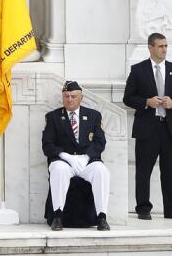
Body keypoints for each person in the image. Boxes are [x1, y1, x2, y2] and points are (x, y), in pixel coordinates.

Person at [123, 33, 172, 220]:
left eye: (166, 46)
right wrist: (147, 102)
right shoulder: (138, 70)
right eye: (160, 46)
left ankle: (171, 208)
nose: (164, 49)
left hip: (171, 129)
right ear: (150, 48)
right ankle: (143, 208)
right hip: (148, 129)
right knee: (144, 170)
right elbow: (128, 98)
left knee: (171, 171)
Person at [43, 80, 111, 232]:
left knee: (101, 171)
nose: (70, 99)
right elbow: (47, 145)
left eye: (73, 96)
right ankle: (58, 217)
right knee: (58, 170)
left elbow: (100, 142)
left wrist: (86, 157)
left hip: (86, 162)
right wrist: (65, 156)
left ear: (81, 97)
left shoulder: (93, 116)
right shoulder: (53, 117)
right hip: (64, 162)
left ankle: (102, 217)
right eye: (66, 96)